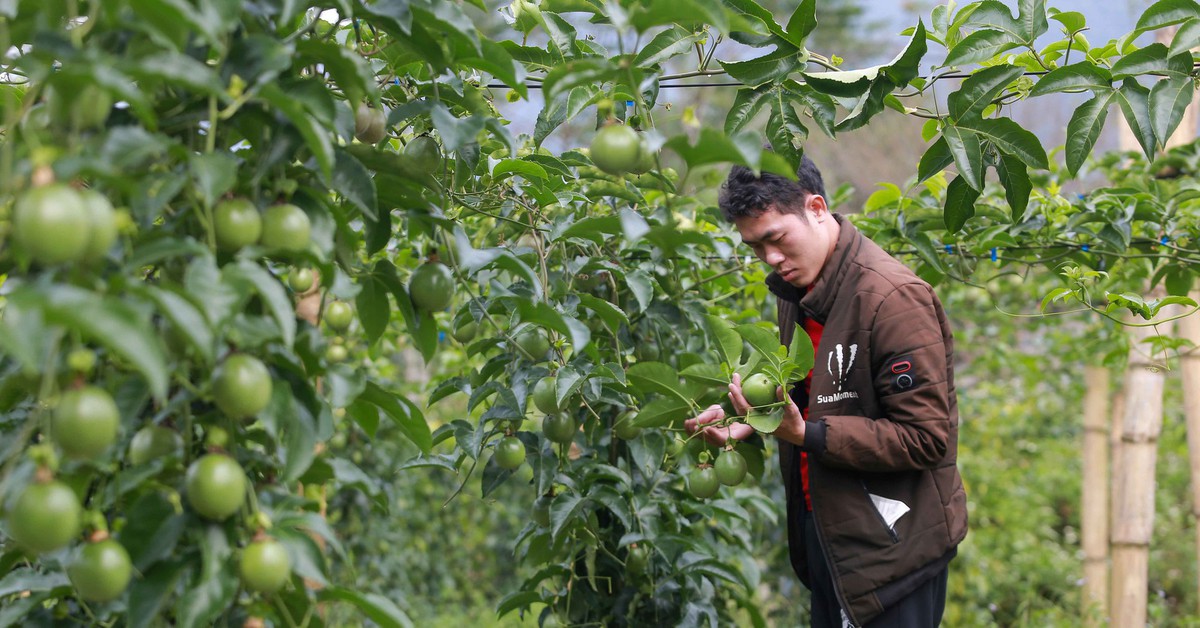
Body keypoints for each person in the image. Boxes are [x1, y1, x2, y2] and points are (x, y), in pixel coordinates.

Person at [684, 156, 967, 627]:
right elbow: (809, 398)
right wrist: (750, 424)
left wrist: (808, 435)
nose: (771, 258)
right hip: (832, 533)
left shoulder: (892, 298)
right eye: (756, 247)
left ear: (816, 209)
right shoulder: (799, 293)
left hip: (893, 548)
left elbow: (925, 437)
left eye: (777, 238)